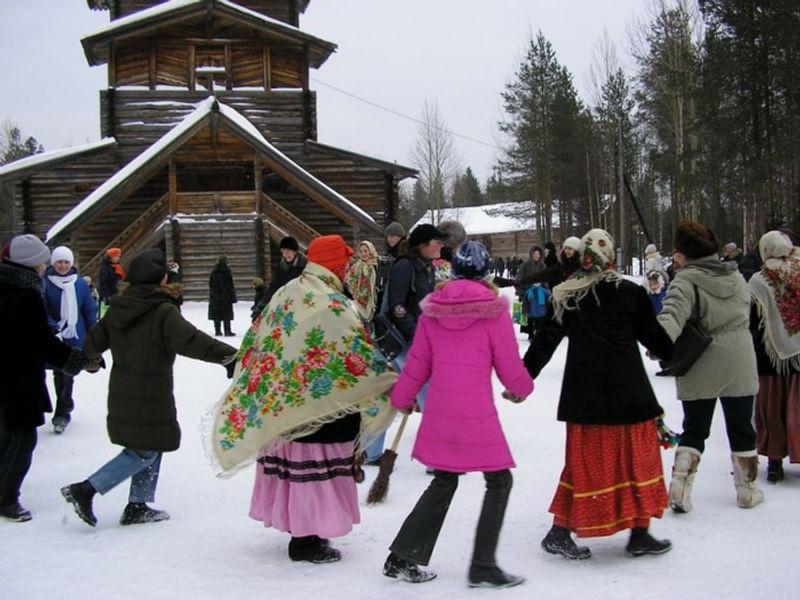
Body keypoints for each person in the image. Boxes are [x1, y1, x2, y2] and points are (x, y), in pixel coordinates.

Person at [207, 235, 397, 563]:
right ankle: (305, 541)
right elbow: (354, 352)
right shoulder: (330, 303)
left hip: (287, 405)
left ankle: (305, 529)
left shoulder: (288, 291)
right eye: (344, 263)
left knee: (297, 470)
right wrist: (389, 380)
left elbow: (258, 336)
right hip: (320, 411)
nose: (348, 268)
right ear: (333, 264)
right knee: (314, 471)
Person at [383, 241, 533, 588]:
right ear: (484, 272)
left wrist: (402, 397)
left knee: (445, 479)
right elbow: (509, 364)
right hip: (475, 413)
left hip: (441, 411)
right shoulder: (493, 310)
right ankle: (483, 565)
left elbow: (417, 362)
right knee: (499, 481)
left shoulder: (434, 310)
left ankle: (402, 557)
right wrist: (522, 388)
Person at [524, 229, 674, 559]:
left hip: (587, 399)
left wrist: (523, 377)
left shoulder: (568, 294)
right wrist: (678, 354)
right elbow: (655, 337)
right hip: (630, 395)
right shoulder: (628, 292)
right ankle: (634, 533)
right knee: (636, 462)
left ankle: (574, 532)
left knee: (586, 467)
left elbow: (545, 340)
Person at [61, 249, 237, 528]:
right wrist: (229, 356)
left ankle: (137, 505)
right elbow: (192, 340)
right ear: (159, 278)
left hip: (124, 388)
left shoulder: (119, 307)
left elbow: (94, 341)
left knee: (152, 443)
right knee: (144, 450)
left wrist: (88, 358)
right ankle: (86, 489)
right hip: (151, 390)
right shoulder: (161, 310)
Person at [657, 222, 763, 512]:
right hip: (740, 358)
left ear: (684, 254)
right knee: (742, 427)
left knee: (695, 428)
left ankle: (679, 490)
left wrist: (658, 343)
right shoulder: (736, 276)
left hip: (701, 359)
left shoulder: (684, 281)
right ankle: (747, 490)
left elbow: (671, 317)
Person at [0, 235, 92, 522]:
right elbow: (40, 341)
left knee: (6, 436)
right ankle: (6, 499)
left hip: (7, 375)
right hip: (18, 378)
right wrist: (76, 360)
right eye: (42, 260)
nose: (45, 265)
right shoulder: (25, 295)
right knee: (22, 439)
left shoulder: (8, 286)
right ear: (31, 263)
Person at [365, 224, 448, 467]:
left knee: (390, 392)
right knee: (431, 395)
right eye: (437, 241)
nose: (441, 245)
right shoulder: (405, 266)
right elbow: (397, 307)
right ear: (422, 245)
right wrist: (417, 335)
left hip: (412, 341)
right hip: (403, 343)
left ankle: (370, 450)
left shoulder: (426, 267)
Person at [749, 231, 800, 483]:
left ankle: (774, 461)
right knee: (797, 410)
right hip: (799, 356)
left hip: (770, 357)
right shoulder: (798, 271)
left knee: (772, 410)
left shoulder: (758, 280)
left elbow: (752, 319)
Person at [43, 246, 98, 433]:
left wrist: (93, 331)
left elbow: (89, 309)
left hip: (75, 336)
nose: (63, 265)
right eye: (59, 262)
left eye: (66, 262)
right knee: (59, 374)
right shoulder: (45, 283)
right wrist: (53, 327)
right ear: (53, 263)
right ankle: (64, 406)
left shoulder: (79, 284)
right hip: (55, 337)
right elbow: (41, 308)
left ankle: (62, 412)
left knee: (67, 375)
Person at [251, 236, 307, 321]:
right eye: (283, 251)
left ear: (295, 251)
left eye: (288, 251)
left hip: (303, 302)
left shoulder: (305, 265)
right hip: (287, 303)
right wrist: (262, 306)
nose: (285, 254)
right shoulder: (281, 267)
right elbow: (274, 286)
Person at [515, 246, 546, 339]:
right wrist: (521, 292)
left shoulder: (543, 266)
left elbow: (546, 278)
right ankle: (531, 334)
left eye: (538, 254)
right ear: (531, 254)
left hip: (540, 294)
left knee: (540, 315)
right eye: (535, 254)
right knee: (530, 314)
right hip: (528, 294)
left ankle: (538, 333)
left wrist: (546, 289)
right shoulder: (525, 266)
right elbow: (519, 279)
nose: (536, 256)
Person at [345, 240, 379, 322]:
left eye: (365, 251)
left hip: (372, 297)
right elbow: (349, 279)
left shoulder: (376, 264)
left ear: (370, 251)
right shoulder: (356, 266)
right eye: (361, 252)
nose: (363, 254)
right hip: (358, 296)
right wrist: (355, 291)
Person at [377, 222, 407, 309]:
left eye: (392, 236)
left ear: (400, 236)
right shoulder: (390, 253)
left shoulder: (405, 253)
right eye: (388, 236)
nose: (389, 239)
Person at [208, 255, 237, 336]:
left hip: (215, 296)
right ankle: (227, 331)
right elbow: (230, 285)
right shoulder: (227, 271)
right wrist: (232, 296)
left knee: (216, 314)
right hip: (225, 296)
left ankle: (217, 331)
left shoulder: (214, 271)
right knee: (226, 314)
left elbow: (211, 284)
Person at [98, 247, 124, 317]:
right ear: (111, 257)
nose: (118, 258)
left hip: (116, 294)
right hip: (108, 296)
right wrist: (106, 297)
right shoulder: (104, 268)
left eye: (119, 256)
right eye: (117, 256)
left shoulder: (117, 267)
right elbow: (103, 284)